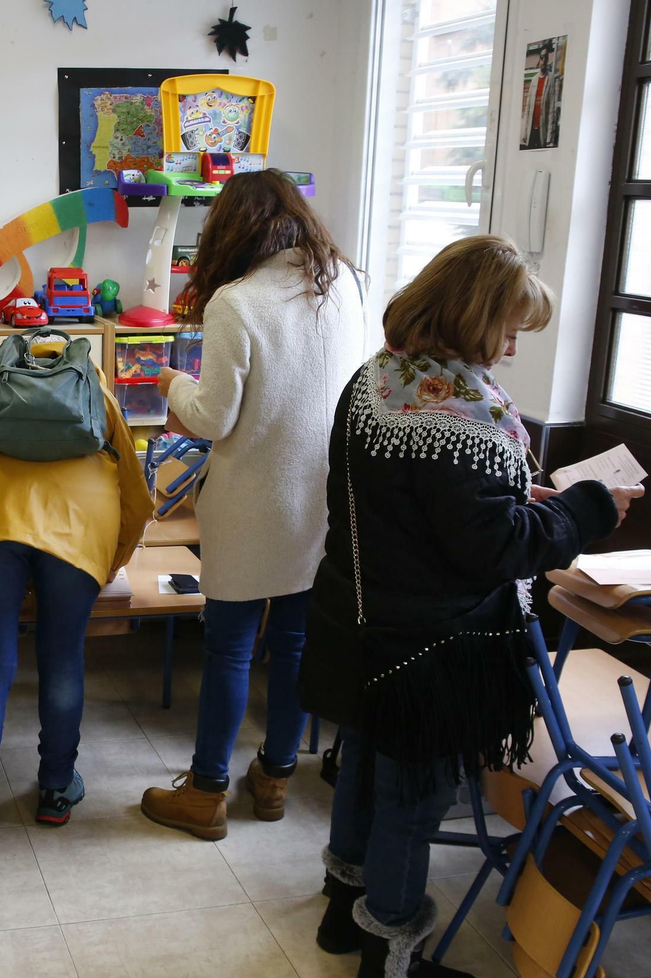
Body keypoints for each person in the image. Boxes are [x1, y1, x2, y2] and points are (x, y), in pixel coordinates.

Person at [300, 234, 643, 978]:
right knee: (413, 801)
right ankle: (389, 971)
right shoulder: (462, 417)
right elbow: (495, 548)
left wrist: (530, 502)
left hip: (361, 619)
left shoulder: (379, 378)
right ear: (472, 316)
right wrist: (590, 509)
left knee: (363, 768)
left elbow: (431, 516)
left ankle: (340, 916)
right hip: (430, 645)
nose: (514, 347)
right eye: (510, 328)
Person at [139, 169, 364, 841]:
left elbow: (212, 418)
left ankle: (206, 793)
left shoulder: (237, 301)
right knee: (295, 645)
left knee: (231, 649)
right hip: (322, 500)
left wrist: (171, 381)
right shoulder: (347, 283)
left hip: (252, 500)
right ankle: (272, 782)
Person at [0, 343, 152, 857]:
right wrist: (110, 561)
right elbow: (135, 493)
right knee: (62, 660)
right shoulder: (99, 392)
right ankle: (56, 789)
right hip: (79, 533)